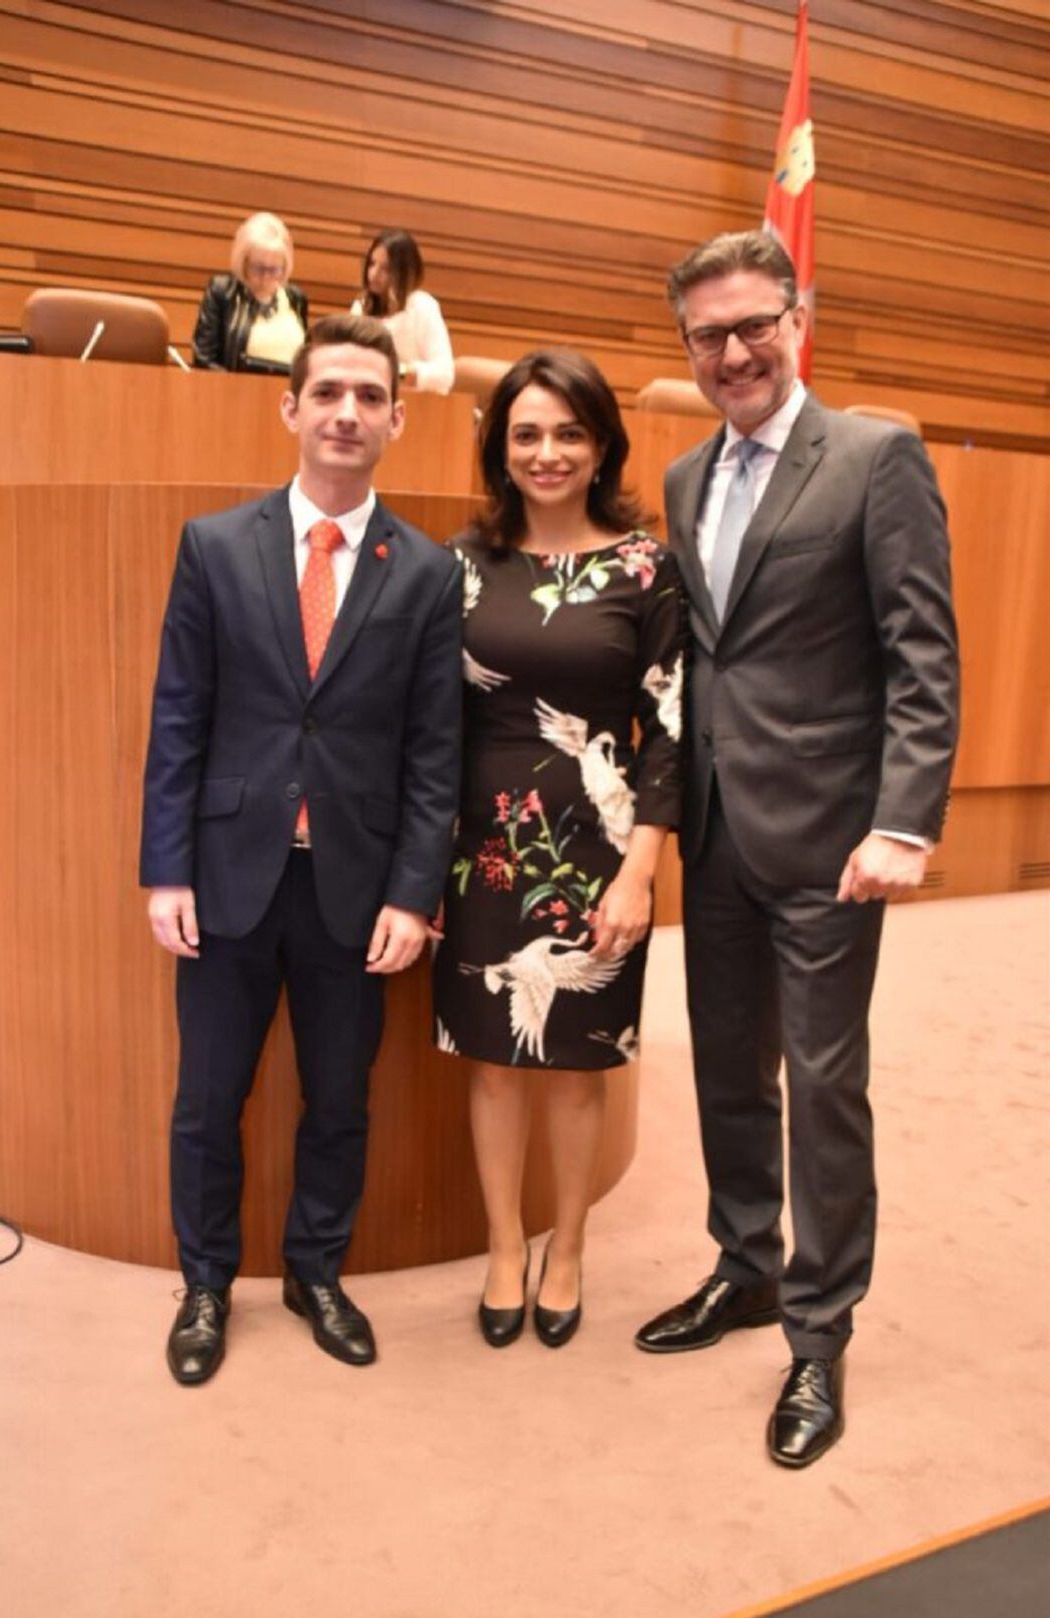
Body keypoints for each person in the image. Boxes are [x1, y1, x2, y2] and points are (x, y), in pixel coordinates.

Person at [635, 230, 959, 1466]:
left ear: (798, 314)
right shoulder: (680, 477)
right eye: (708, 335)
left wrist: (903, 818)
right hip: (717, 835)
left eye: (753, 323)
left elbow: (923, 651)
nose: (733, 351)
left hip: (835, 841)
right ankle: (747, 1266)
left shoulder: (876, 456)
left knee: (823, 1085)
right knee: (726, 1066)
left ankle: (819, 1338)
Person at [141, 314, 462, 1385]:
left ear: (395, 421)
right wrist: (166, 867)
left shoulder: (424, 573)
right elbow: (178, 717)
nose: (346, 413)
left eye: (369, 397)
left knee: (340, 1095)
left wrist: (416, 893)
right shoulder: (215, 546)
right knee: (208, 1098)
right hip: (228, 877)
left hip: (354, 887)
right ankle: (204, 1285)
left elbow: (433, 748)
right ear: (290, 408)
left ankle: (316, 1269)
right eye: (327, 392)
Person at [432, 349, 683, 1349]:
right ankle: (505, 1245)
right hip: (479, 846)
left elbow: (672, 723)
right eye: (527, 432)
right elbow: (429, 722)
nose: (547, 452)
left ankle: (567, 1245)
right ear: (499, 444)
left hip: (603, 848)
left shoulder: (646, 567)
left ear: (602, 445)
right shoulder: (459, 564)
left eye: (569, 432)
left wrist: (643, 868)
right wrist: (424, 864)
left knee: (579, 1064)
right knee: (492, 1061)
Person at [191, 211, 308, 371]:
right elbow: (203, 359)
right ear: (243, 262)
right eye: (258, 268)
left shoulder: (296, 298)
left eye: (274, 269)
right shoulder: (223, 292)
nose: (266, 277)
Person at [351, 227, 454, 394]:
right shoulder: (361, 306)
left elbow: (444, 374)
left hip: (418, 404)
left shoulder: (423, 306)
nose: (373, 274)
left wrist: (399, 373)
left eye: (385, 269)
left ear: (403, 272)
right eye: (371, 263)